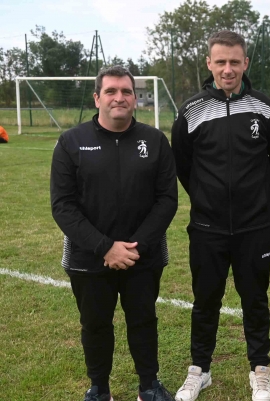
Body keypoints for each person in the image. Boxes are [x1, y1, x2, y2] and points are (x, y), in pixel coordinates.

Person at [171, 30, 270, 401]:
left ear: (245, 64)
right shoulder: (191, 110)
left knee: (255, 299)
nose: (227, 69)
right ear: (209, 64)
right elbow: (182, 164)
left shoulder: (265, 108)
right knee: (205, 300)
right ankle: (200, 370)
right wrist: (207, 199)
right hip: (207, 228)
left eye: (234, 62)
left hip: (255, 227)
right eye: (220, 62)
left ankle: (260, 370)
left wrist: (254, 197)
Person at [50, 65, 178, 401]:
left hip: (143, 256)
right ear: (97, 98)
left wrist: (134, 248)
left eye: (126, 91)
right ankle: (99, 388)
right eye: (111, 91)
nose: (119, 97)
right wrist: (106, 248)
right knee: (95, 325)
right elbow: (63, 206)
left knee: (143, 321)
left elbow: (167, 200)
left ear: (136, 98)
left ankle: (148, 385)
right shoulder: (71, 142)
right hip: (89, 258)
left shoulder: (154, 140)